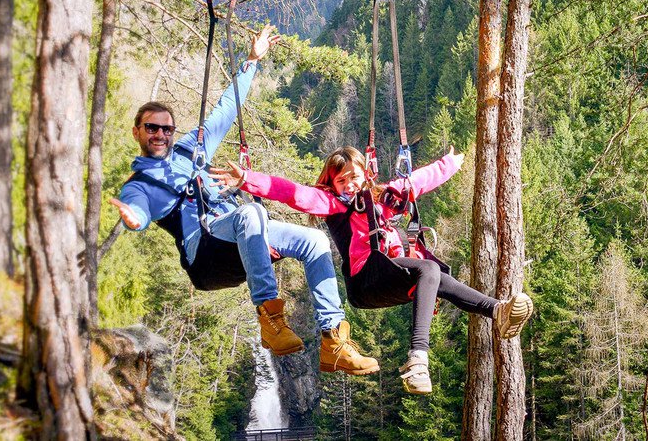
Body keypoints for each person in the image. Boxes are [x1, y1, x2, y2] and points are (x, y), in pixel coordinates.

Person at [108, 25, 378, 375]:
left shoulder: (191, 149)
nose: (160, 134)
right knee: (250, 212)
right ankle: (271, 319)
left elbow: (224, 111)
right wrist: (134, 217)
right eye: (151, 128)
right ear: (137, 132)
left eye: (166, 129)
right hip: (206, 253)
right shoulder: (141, 182)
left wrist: (251, 61)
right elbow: (138, 210)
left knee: (313, 240)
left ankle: (334, 341)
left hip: (242, 237)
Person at [210, 146, 534, 395]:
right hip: (365, 282)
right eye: (341, 180)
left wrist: (450, 163)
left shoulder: (382, 198)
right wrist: (249, 180)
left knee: (436, 276)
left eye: (354, 176)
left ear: (366, 173)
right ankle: (418, 359)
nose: (349, 184)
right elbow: (297, 194)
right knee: (428, 271)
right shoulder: (333, 204)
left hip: (387, 274)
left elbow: (417, 182)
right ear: (332, 184)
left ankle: (498, 312)